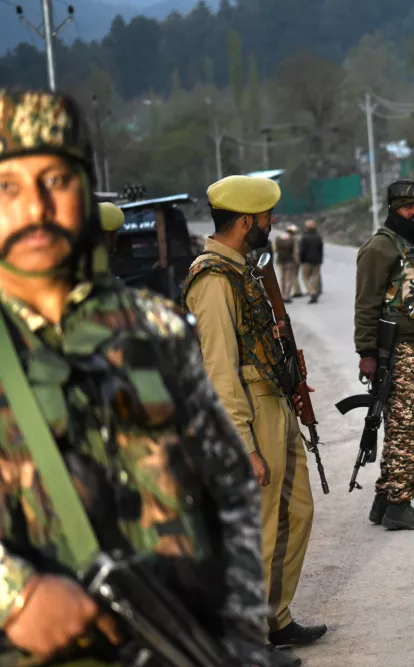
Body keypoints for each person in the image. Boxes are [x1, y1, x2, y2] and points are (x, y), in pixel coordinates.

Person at [0, 87, 277, 665]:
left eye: (56, 181)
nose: (37, 208)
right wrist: (15, 594)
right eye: (9, 187)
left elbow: (228, 494)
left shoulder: (155, 327)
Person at [182, 175, 327, 659]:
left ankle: (273, 618)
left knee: (296, 513)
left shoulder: (241, 269)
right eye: (266, 216)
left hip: (273, 401)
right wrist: (243, 444)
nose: (272, 222)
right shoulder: (212, 278)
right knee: (260, 527)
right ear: (246, 221)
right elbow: (219, 369)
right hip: (248, 410)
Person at [354, 179, 414, 530]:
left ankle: (384, 501)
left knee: (402, 426)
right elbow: (366, 304)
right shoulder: (380, 248)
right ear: (394, 210)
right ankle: (398, 505)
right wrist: (367, 352)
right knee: (408, 427)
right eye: (409, 207)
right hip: (399, 350)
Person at [273, 224, 300, 301]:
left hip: (280, 261)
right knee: (288, 279)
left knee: (282, 279)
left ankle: (282, 294)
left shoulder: (278, 239)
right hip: (289, 261)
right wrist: (297, 261)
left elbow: (275, 249)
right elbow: (296, 252)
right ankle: (286, 296)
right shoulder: (292, 240)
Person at [298, 219, 322, 304]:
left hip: (306, 260)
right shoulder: (318, 237)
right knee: (315, 276)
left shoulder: (304, 237)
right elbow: (320, 249)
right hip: (317, 260)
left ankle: (312, 292)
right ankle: (315, 291)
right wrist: (320, 260)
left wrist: (301, 260)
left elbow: (302, 250)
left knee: (305, 277)